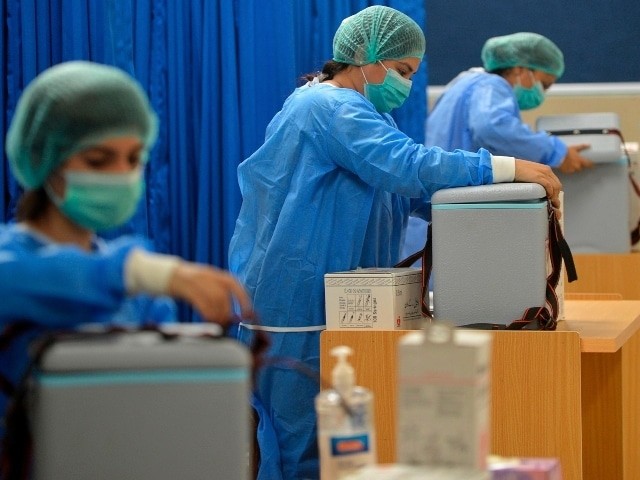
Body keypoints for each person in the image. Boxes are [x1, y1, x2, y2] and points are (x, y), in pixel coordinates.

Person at [228, 6, 562, 480]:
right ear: (365, 56)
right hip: (296, 307)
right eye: (402, 71)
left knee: (339, 446)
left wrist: (493, 208)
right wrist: (505, 167)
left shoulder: (363, 113)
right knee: (300, 448)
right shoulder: (326, 108)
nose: (404, 83)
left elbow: (406, 191)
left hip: (339, 306)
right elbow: (406, 166)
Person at [0, 61, 253, 453]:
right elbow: (26, 280)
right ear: (45, 159)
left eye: (134, 159)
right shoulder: (18, 263)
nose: (120, 173)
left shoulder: (139, 291)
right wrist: (140, 271)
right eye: (98, 161)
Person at [402, 32, 592, 258]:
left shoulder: (464, 82)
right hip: (461, 213)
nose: (543, 93)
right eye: (544, 84)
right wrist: (555, 151)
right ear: (520, 69)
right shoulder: (492, 86)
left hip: (437, 211)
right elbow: (492, 128)